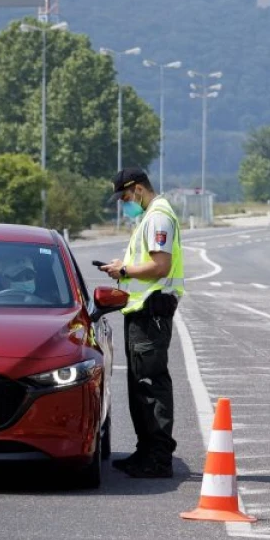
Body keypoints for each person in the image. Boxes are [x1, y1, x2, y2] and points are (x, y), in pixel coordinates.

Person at [100, 167, 184, 478]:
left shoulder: (158, 216)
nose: (124, 202)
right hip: (142, 310)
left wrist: (123, 271)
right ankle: (145, 452)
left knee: (150, 385)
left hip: (152, 309)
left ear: (137, 189)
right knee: (139, 385)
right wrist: (122, 267)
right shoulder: (149, 217)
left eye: (124, 196)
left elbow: (160, 266)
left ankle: (158, 458)